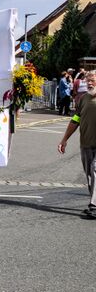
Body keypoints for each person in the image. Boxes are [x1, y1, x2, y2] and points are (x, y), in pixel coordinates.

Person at [58, 71, 96, 216]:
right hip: (86, 143)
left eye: (92, 80)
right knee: (90, 175)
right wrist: (64, 139)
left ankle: (94, 206)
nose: (89, 83)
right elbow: (75, 120)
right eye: (88, 81)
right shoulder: (83, 99)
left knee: (95, 170)